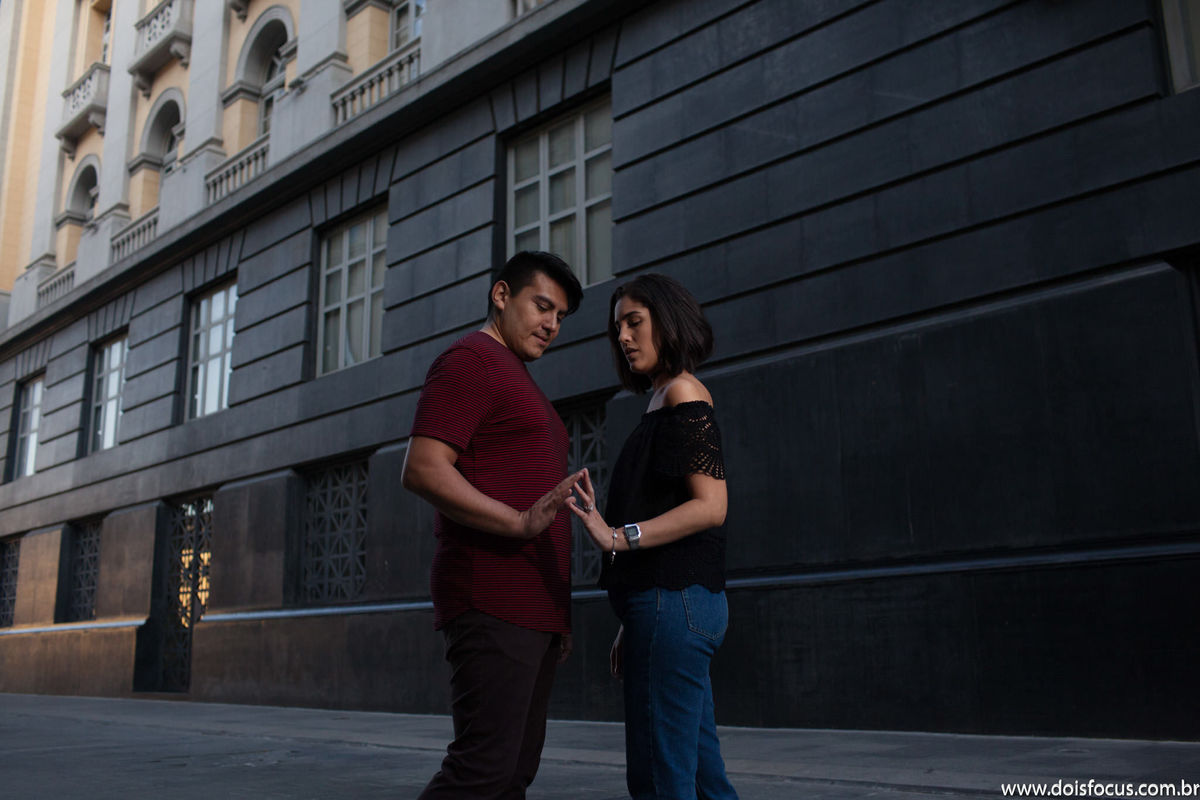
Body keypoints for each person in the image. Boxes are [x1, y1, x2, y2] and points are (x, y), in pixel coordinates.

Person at [401, 250, 585, 799]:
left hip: (533, 608)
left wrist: (557, 614)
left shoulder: (516, 377)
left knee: (513, 775)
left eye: (560, 316)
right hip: (492, 596)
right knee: (482, 771)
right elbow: (422, 468)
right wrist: (518, 521)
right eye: (542, 306)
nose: (552, 325)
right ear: (501, 295)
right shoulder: (472, 360)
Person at [568, 273, 739, 800]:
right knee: (704, 780)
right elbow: (662, 501)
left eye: (634, 322)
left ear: (667, 320)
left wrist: (618, 537)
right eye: (617, 327)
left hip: (675, 604)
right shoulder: (661, 398)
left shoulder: (683, 391)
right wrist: (637, 617)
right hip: (668, 606)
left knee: (659, 782)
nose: (623, 336)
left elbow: (711, 506)